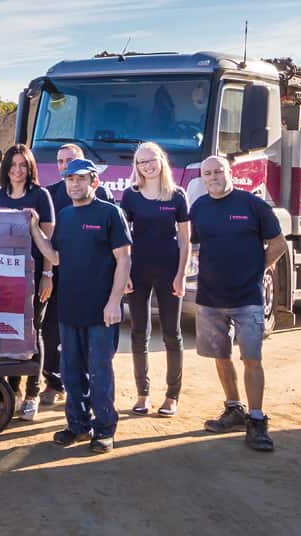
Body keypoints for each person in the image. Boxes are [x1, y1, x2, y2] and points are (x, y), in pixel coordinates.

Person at [28, 158, 131, 454]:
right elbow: (56, 256)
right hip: (70, 309)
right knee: (70, 371)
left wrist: (114, 302)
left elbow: (124, 259)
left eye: (80, 179)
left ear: (94, 182)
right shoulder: (66, 215)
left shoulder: (110, 214)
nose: (74, 184)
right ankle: (77, 424)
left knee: (100, 371)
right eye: (70, 179)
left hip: (102, 311)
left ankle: (104, 429)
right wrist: (35, 228)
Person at [189, 156, 287, 452]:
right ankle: (234, 410)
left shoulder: (253, 206)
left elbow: (278, 244)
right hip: (210, 298)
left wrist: (258, 271)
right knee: (220, 355)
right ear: (202, 178)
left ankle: (257, 421)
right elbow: (190, 245)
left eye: (218, 171)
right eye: (207, 173)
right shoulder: (199, 208)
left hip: (247, 298)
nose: (213, 177)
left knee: (251, 358)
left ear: (230, 173)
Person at [35, 143, 114, 407]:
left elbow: (121, 253)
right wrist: (47, 272)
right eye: (61, 162)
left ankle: (100, 416)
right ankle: (55, 385)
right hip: (62, 281)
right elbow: (51, 247)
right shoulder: (51, 197)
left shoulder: (106, 203)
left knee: (95, 353)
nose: (66, 167)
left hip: (96, 289)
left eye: (72, 161)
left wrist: (117, 290)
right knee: (54, 335)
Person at [0, 144, 56, 421]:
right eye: (13, 165)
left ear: (30, 168)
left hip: (35, 274)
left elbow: (50, 241)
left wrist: (47, 276)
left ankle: (32, 394)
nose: (17, 170)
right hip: (6, 277)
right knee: (10, 332)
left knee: (32, 332)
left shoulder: (42, 196)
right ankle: (13, 391)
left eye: (22, 165)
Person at [121, 142, 190, 418]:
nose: (147, 166)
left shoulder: (177, 195)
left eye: (151, 160)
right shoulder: (130, 196)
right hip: (137, 271)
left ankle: (172, 396)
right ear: (136, 167)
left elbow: (185, 240)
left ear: (161, 161)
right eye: (141, 162)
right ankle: (143, 394)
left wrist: (181, 275)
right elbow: (122, 241)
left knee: (172, 333)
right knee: (140, 332)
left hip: (169, 271)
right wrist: (124, 273)